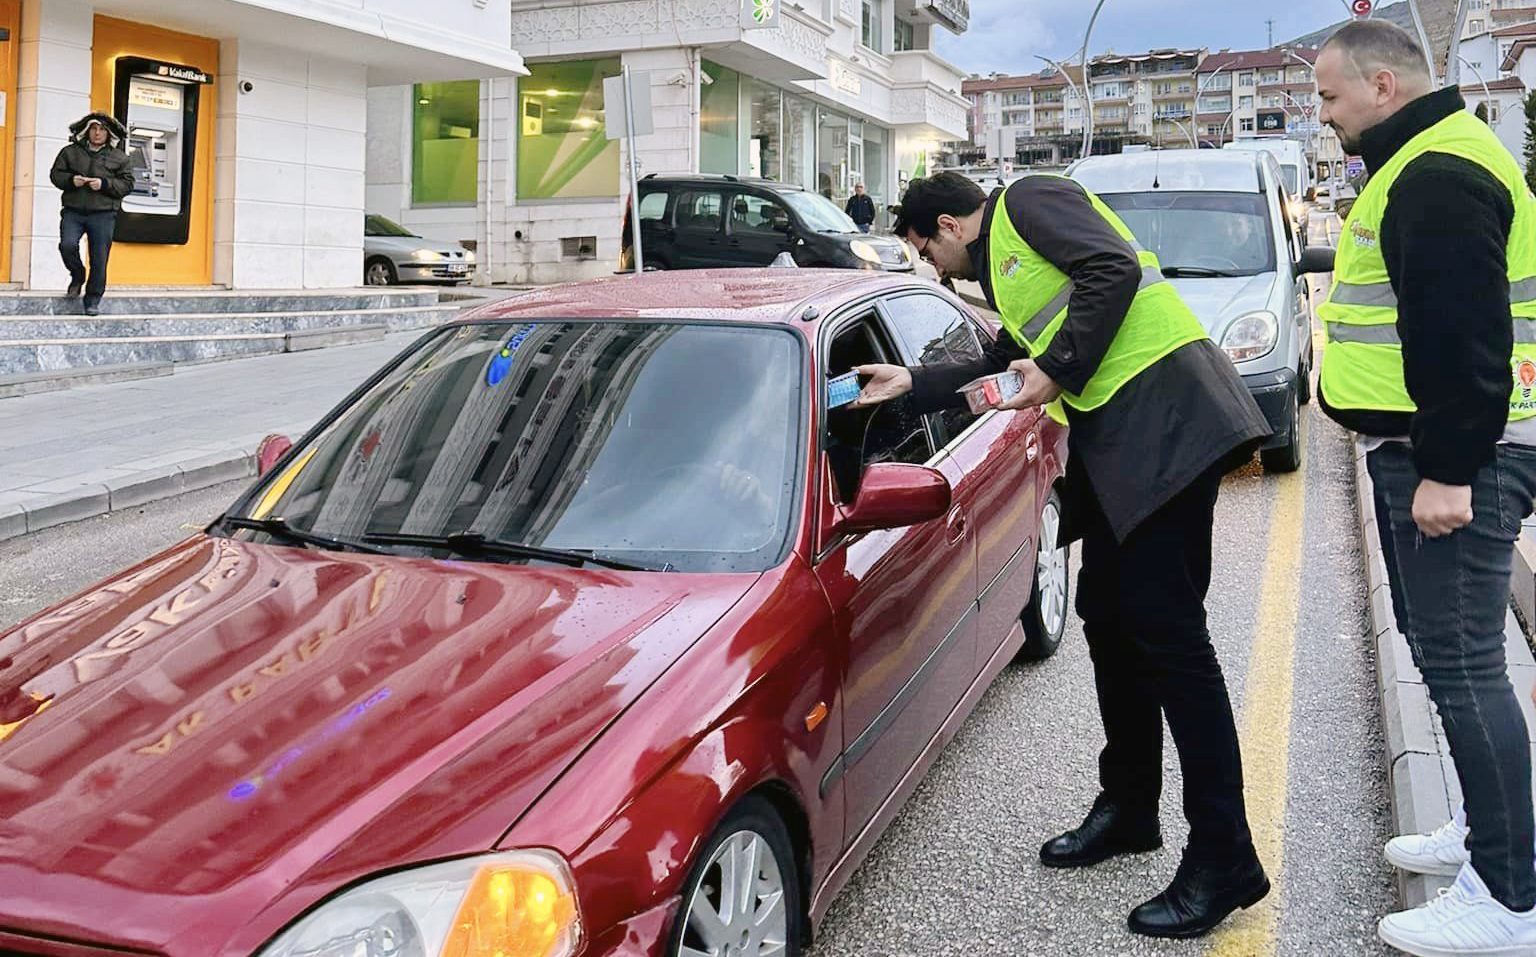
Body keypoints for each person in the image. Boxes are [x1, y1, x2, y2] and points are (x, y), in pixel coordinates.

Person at [856, 170, 1271, 938]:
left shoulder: (1028, 200)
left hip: (1169, 423)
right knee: (1108, 617)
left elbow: (1111, 267)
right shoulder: (1011, 275)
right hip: (1132, 443)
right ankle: (1130, 805)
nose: (933, 270)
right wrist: (913, 380)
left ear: (948, 224)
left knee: (1173, 640)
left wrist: (1058, 368)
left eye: (925, 251)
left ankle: (1225, 856)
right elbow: (1010, 356)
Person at [1314, 20, 1536, 956]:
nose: (1321, 116)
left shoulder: (1436, 173)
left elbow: (1467, 338)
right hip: (1427, 449)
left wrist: (1449, 468)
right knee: (1440, 651)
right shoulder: (1424, 159)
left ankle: (1509, 895)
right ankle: (1484, 836)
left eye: (1329, 98)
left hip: (1459, 459)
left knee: (1462, 660)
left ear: (1381, 85)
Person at [50, 112, 134, 316]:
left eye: (102, 130)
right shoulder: (69, 152)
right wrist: (71, 181)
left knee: (99, 258)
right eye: (94, 129)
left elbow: (128, 184)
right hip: (73, 211)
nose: (97, 133)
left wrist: (104, 184)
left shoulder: (120, 158)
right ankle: (78, 275)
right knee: (67, 245)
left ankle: (92, 300)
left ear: (109, 134)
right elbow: (55, 175)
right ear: (87, 131)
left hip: (103, 214)